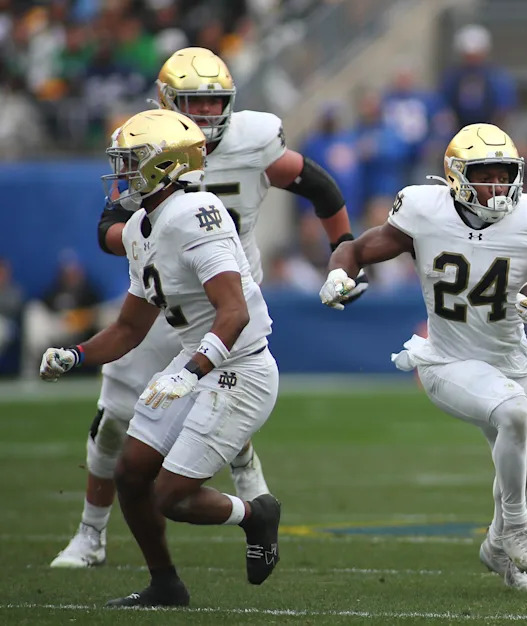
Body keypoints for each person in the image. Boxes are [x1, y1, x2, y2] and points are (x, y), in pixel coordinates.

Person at [51, 47, 361, 569]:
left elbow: (319, 185)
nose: (206, 115)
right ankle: (91, 534)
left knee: (220, 388)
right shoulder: (150, 147)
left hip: (226, 301)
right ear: (169, 101)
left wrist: (344, 254)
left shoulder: (251, 141)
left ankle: (246, 486)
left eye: (215, 103)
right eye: (193, 103)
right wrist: (150, 239)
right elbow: (110, 229)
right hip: (163, 297)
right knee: (114, 425)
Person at [319, 123, 527, 591]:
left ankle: (499, 552)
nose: (498, 186)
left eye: (505, 174)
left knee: (524, 458)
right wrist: (337, 275)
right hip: (447, 360)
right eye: (486, 175)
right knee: (513, 415)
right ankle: (517, 528)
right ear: (456, 176)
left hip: (511, 360)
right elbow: (356, 250)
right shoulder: (423, 209)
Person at [40, 109, 284, 606]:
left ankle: (256, 515)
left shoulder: (196, 212)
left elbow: (233, 313)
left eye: (132, 162)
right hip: (197, 360)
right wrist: (77, 352)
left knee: (170, 496)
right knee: (129, 473)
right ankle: (165, 584)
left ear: (165, 165)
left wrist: (191, 373)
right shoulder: (140, 228)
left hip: (241, 369)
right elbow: (130, 328)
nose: (123, 173)